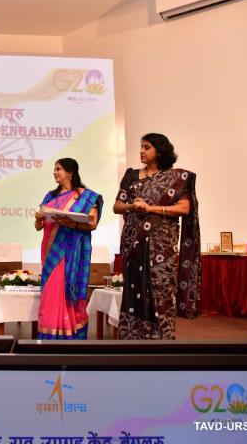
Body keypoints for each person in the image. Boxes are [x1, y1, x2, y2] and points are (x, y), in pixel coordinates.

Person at [114, 133, 200, 340]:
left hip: (162, 246)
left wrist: (152, 208)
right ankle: (133, 337)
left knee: (162, 288)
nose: (141, 151)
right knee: (134, 290)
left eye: (147, 147)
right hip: (134, 242)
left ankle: (162, 338)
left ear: (160, 151)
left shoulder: (176, 179)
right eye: (141, 147)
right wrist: (133, 206)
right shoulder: (131, 175)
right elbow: (117, 206)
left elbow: (184, 208)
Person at [34, 158, 103, 339]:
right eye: (54, 169)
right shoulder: (50, 196)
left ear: (70, 173)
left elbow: (92, 223)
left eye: (59, 169)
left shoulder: (85, 196)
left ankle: (68, 334)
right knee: (50, 290)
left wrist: (71, 223)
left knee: (64, 289)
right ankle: (49, 335)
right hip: (50, 250)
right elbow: (39, 227)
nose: (55, 172)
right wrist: (38, 219)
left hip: (70, 251)